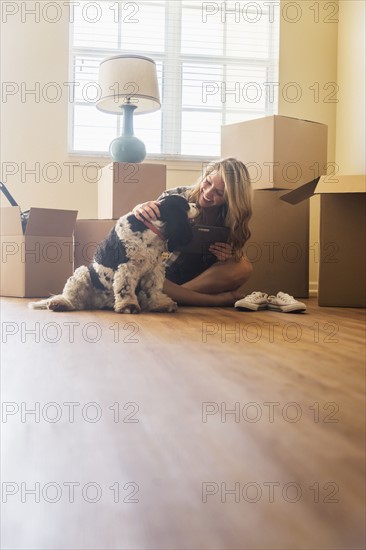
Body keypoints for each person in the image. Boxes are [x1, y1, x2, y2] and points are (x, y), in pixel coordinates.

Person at [133, 157, 253, 306]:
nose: (208, 194)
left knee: (243, 266)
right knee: (143, 270)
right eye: (208, 182)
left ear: (231, 198)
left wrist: (228, 255)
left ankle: (173, 296)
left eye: (219, 193)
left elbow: (234, 258)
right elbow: (145, 241)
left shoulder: (232, 216)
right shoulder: (176, 197)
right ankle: (211, 301)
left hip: (201, 278)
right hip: (165, 273)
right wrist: (139, 209)